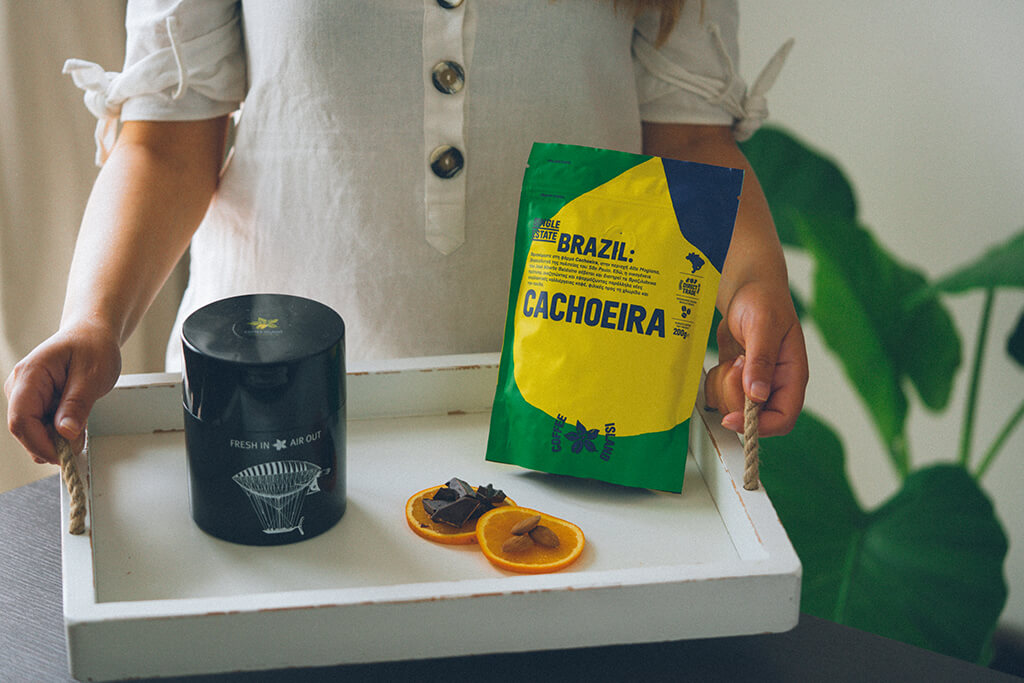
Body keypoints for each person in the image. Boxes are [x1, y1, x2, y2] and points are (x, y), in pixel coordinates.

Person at [6, 0, 807, 465]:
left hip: (579, 427)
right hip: (269, 421)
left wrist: (752, 283)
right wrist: (94, 320)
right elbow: (167, 146)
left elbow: (688, 140)